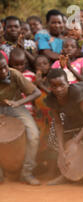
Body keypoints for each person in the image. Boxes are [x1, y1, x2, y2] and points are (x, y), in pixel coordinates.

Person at [0, 53, 41, 185]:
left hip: (15, 106)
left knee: (34, 135)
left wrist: (19, 103)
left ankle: (27, 172)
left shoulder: (14, 74)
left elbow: (37, 92)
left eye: (4, 67)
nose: (3, 71)